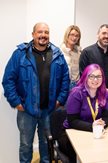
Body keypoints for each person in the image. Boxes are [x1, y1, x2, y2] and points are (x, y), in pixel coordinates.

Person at [2, 22, 70, 163]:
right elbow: (8, 80)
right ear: (33, 34)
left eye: (46, 32)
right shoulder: (20, 54)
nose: (43, 35)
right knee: (26, 146)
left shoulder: (57, 54)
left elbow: (65, 79)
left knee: (46, 145)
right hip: (26, 111)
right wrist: (16, 102)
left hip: (49, 110)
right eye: (40, 32)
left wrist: (60, 100)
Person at [59, 64, 108, 162]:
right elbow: (72, 121)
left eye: (99, 76)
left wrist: (102, 124)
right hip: (72, 132)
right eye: (91, 76)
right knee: (85, 154)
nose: (95, 79)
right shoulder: (76, 93)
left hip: (96, 132)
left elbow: (107, 117)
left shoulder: (106, 94)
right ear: (85, 77)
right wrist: (92, 126)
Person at [79, 24, 108, 124]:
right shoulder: (87, 52)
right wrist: (98, 91)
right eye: (104, 33)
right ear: (98, 34)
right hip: (91, 98)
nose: (106, 36)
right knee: (93, 127)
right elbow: (83, 75)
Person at [60, 25, 82, 89]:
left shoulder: (80, 52)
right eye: (72, 34)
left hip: (77, 85)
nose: (74, 38)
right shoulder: (60, 52)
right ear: (67, 35)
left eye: (77, 36)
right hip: (64, 85)